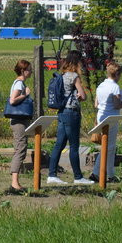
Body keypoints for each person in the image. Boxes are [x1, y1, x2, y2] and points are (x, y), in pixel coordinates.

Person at [47, 51, 95, 185]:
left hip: (62, 112)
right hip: (72, 113)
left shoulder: (61, 75)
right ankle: (78, 177)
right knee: (74, 145)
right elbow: (83, 96)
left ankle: (52, 174)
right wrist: (80, 95)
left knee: (59, 144)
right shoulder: (74, 76)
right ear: (77, 62)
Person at [91, 62, 122, 183]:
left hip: (101, 116)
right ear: (116, 74)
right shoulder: (114, 86)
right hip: (111, 118)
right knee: (109, 147)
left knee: (109, 146)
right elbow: (116, 104)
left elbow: (96, 104)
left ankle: (109, 173)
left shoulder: (101, 85)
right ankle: (97, 172)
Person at [7, 59, 32, 192]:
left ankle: (16, 180)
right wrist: (25, 95)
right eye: (29, 69)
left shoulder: (19, 83)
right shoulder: (19, 84)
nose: (31, 72)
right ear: (23, 70)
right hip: (18, 121)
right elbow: (12, 100)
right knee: (20, 148)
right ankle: (14, 182)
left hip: (19, 120)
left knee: (20, 147)